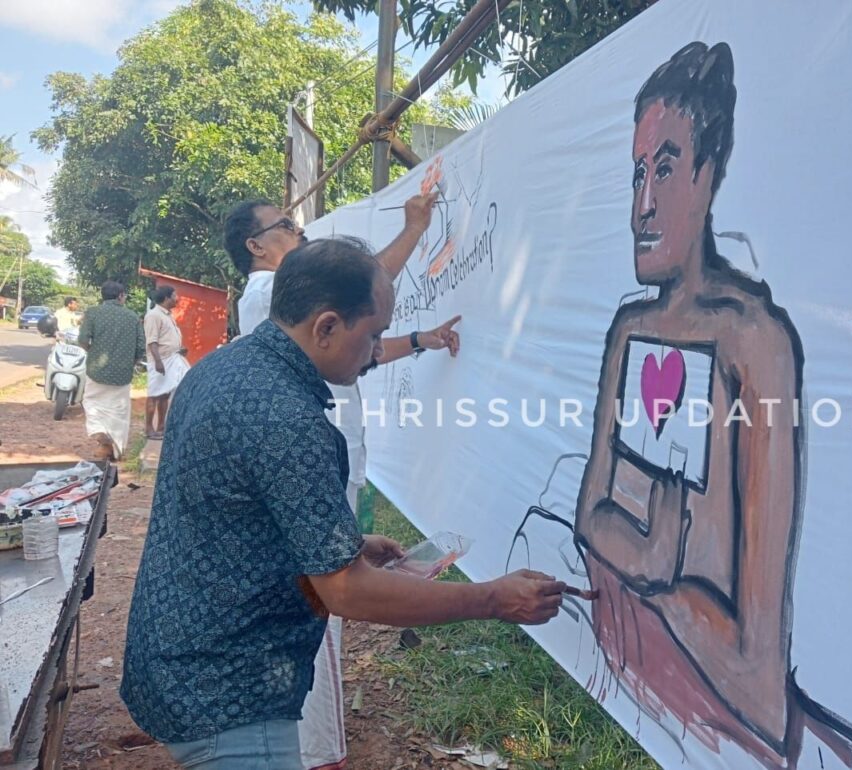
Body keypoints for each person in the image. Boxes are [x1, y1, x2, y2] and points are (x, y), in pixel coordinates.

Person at [573, 43, 852, 770]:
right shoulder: (630, 331)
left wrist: (654, 574)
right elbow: (588, 516)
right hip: (630, 674)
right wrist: (652, 560)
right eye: (637, 172)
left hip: (709, 720)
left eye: (666, 167)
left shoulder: (754, 344)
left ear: (710, 171)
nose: (642, 205)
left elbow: (757, 678)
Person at [121, 239, 566, 769]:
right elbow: (346, 591)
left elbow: (231, 509)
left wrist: (338, 541)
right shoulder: (288, 418)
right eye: (373, 334)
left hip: (174, 657)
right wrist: (491, 599)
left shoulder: (223, 368)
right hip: (228, 693)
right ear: (327, 327)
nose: (377, 351)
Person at [224, 197, 461, 770]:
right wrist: (415, 227)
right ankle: (315, 753)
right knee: (318, 609)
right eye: (285, 225)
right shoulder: (265, 293)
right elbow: (359, 291)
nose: (299, 229)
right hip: (314, 478)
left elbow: (359, 348)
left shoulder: (283, 349)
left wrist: (420, 340)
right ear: (255, 246)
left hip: (329, 475)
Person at [78, 280, 146, 461]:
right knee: (119, 411)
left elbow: (83, 339)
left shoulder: (92, 313)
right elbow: (141, 347)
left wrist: (91, 351)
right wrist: (132, 362)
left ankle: (101, 437)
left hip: (96, 371)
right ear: (120, 296)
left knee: (92, 403)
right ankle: (116, 449)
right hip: (122, 374)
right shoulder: (132, 317)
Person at [143, 285, 190, 439]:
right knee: (154, 394)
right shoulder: (153, 315)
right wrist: (158, 361)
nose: (177, 299)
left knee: (165, 394)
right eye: (175, 296)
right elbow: (152, 341)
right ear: (166, 298)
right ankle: (149, 429)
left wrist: (179, 349)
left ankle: (161, 427)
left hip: (173, 358)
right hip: (161, 360)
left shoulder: (168, 315)